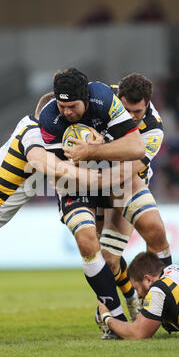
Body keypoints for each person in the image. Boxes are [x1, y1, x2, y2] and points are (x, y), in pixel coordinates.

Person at [0, 96, 113, 342]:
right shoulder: (33, 131)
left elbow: (62, 175)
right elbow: (47, 165)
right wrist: (100, 178)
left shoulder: (47, 140)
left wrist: (95, 148)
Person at [39, 67, 145, 330]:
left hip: (113, 180)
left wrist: (93, 150)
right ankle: (116, 317)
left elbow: (137, 147)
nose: (66, 112)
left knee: (111, 256)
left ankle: (132, 296)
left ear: (85, 98)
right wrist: (92, 160)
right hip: (74, 184)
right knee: (87, 241)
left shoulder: (104, 99)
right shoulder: (49, 117)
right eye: (62, 106)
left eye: (72, 106)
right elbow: (59, 171)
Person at [64, 73, 172, 323]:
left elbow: (130, 168)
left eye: (137, 111)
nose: (132, 116)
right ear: (118, 98)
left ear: (147, 104)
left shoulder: (153, 129)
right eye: (127, 110)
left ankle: (163, 303)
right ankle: (129, 300)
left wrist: (93, 154)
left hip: (124, 182)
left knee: (146, 236)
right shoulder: (102, 100)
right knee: (105, 260)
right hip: (96, 185)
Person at [98, 251, 179, 339]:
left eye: (136, 289)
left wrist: (106, 317)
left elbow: (137, 333)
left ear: (148, 280)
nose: (138, 296)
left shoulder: (159, 288)